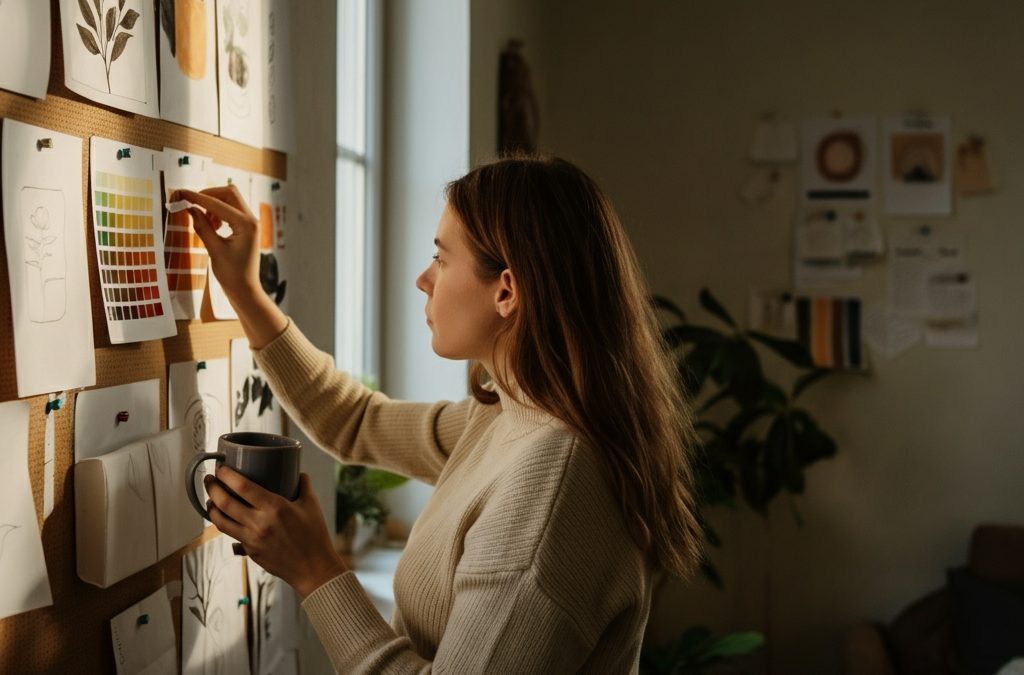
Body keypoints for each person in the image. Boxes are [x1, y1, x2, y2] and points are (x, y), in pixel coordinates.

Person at [178, 155, 702, 673]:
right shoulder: (512, 414)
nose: (423, 280)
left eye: (442, 258)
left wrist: (317, 570)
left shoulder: (554, 482)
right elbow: (355, 421)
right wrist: (246, 292)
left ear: (506, 290)